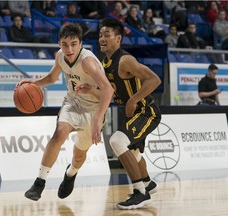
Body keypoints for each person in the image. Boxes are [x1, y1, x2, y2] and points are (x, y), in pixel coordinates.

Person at [21, 22, 114, 201]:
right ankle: (39, 183)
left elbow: (108, 90)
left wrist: (98, 119)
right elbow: (51, 78)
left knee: (79, 155)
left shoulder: (87, 61)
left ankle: (71, 174)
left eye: (73, 44)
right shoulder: (60, 56)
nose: (69, 49)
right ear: (59, 44)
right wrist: (30, 84)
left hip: (94, 109)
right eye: (65, 44)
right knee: (59, 133)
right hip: (73, 102)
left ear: (80, 44)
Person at [78, 18, 161, 210]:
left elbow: (154, 80)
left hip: (146, 112)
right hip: (132, 113)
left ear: (118, 38)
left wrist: (133, 100)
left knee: (116, 141)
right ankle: (148, 183)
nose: (102, 38)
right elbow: (111, 94)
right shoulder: (106, 64)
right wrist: (91, 89)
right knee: (133, 153)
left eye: (107, 35)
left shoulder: (125, 60)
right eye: (100, 35)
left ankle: (141, 192)